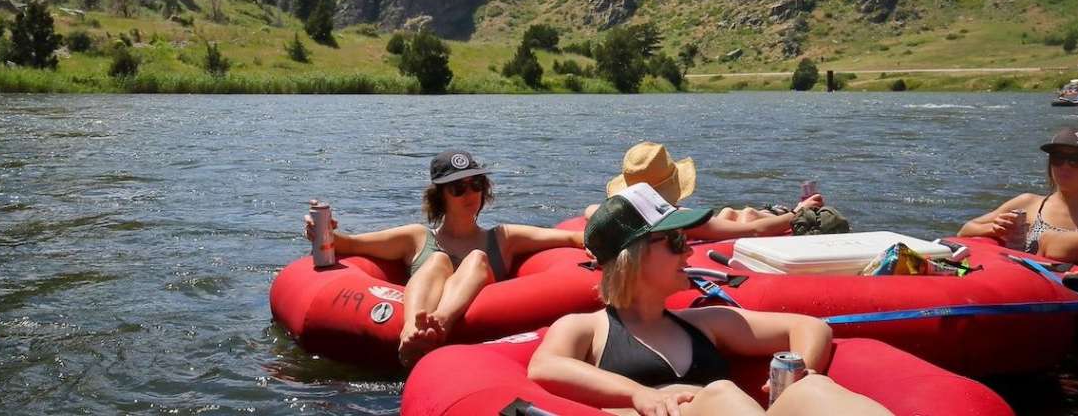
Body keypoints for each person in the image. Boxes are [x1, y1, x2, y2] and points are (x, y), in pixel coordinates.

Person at [529, 183, 893, 416]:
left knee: (814, 389)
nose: (689, 252)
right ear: (632, 257)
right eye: (675, 242)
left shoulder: (706, 322)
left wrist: (800, 370)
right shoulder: (587, 328)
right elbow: (544, 368)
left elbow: (808, 327)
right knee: (720, 395)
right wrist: (641, 395)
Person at [304, 150, 584, 366]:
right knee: (437, 261)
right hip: (418, 316)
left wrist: (597, 238)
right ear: (440, 196)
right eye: (458, 188)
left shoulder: (503, 238)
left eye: (476, 184)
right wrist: (323, 231)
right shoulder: (416, 238)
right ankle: (412, 332)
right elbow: (350, 244)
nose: (470, 193)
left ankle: (440, 324)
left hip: (465, 330)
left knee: (476, 258)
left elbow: (571, 238)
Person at [585, 142, 828, 240]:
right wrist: (798, 212)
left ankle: (774, 210)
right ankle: (782, 210)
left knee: (732, 211)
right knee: (749, 216)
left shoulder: (611, 213)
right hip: (723, 233)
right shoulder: (675, 220)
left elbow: (590, 210)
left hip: (711, 224)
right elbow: (752, 230)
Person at [959, 127, 1078, 262]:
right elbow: (965, 230)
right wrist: (994, 229)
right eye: (1058, 158)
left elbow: (1052, 245)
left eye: (1075, 159)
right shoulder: (1028, 203)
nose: (1065, 166)